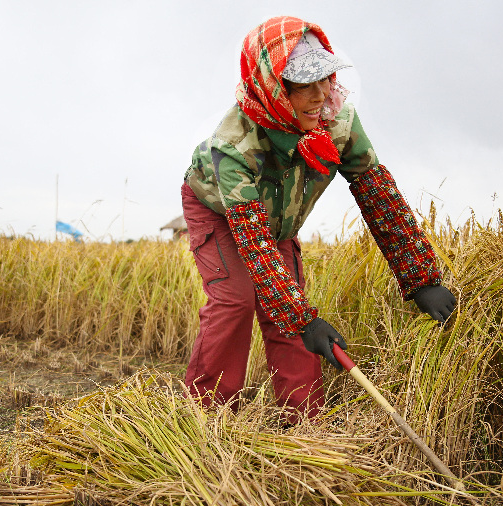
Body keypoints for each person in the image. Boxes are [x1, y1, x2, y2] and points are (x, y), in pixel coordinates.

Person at [181, 16, 457, 426]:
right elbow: (253, 241)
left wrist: (421, 279)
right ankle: (206, 420)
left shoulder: (338, 122)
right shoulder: (234, 146)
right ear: (274, 87)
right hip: (223, 212)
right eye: (304, 84)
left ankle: (305, 425)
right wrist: (304, 320)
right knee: (238, 300)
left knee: (287, 311)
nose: (321, 94)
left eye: (326, 78)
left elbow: (376, 194)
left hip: (279, 218)